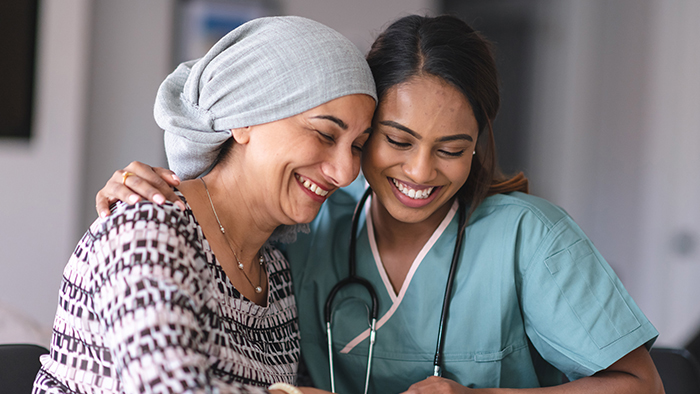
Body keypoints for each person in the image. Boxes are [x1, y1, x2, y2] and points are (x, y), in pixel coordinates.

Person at [95, 15, 663, 394]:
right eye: (394, 140)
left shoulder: (530, 239)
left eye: (452, 149)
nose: (420, 172)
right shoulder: (305, 229)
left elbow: (643, 385)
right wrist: (152, 194)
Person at [34, 16, 376, 394]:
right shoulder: (148, 231)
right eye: (325, 134)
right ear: (244, 119)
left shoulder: (275, 270)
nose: (346, 172)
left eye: (358, 146)